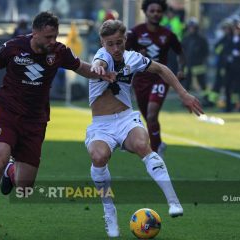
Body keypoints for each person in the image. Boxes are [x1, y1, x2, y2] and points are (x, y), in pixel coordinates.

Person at [0, 12, 115, 239]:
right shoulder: (13, 47)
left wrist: (102, 74)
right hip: (7, 112)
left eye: (55, 36)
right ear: (34, 32)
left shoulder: (59, 52)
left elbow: (80, 67)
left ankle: (12, 170)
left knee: (24, 188)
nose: (52, 41)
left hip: (35, 122)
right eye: (48, 36)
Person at [86, 19, 203, 238]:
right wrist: (97, 68)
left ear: (125, 40)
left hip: (126, 119)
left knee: (142, 144)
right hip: (101, 125)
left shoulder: (133, 58)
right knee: (99, 156)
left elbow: (162, 69)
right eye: (110, 44)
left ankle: (173, 201)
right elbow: (99, 63)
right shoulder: (101, 57)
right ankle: (109, 211)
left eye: (119, 43)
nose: (116, 49)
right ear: (102, 42)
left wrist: (184, 94)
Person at [126, 0, 185, 158]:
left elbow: (180, 52)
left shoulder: (168, 34)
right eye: (152, 11)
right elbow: (122, 52)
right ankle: (159, 144)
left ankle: (155, 150)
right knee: (148, 117)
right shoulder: (135, 33)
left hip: (160, 78)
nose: (155, 14)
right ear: (145, 12)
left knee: (152, 114)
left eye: (159, 11)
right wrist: (136, 56)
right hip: (140, 79)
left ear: (162, 13)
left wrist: (181, 69)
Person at [181, 17, 210, 104]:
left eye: (193, 27)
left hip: (199, 65)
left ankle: (206, 99)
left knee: (202, 84)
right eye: (190, 27)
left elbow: (206, 52)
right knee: (186, 85)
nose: (191, 29)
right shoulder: (186, 38)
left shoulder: (201, 39)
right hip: (188, 65)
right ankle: (185, 101)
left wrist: (201, 59)